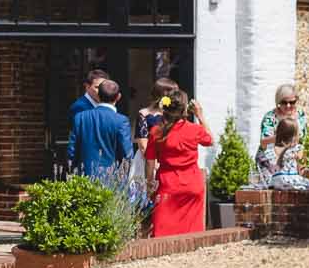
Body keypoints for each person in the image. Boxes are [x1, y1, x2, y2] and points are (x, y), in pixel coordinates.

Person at [144, 88, 214, 236]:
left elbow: (150, 162)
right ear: (184, 109)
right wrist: (200, 115)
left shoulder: (156, 131)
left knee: (163, 230)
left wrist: (149, 185)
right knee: (192, 230)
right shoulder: (194, 130)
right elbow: (210, 140)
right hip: (192, 184)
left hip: (168, 184)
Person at [68, 77, 132, 180]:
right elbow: (126, 154)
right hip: (112, 179)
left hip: (83, 178)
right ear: (118, 97)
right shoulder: (121, 121)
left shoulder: (80, 117)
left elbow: (72, 151)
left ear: (98, 94)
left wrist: (73, 172)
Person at [254, 118, 309, 191]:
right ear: (295, 135)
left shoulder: (270, 148)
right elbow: (301, 171)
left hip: (273, 182)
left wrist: (280, 136)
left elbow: (263, 142)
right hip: (290, 179)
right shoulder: (298, 149)